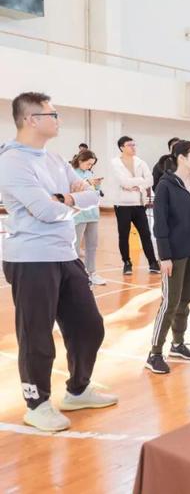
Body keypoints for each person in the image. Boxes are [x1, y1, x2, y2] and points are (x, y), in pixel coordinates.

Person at [0, 92, 117, 432]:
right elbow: (45, 210)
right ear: (31, 119)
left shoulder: (54, 159)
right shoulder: (12, 161)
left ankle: (78, 390)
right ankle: (36, 404)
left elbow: (93, 195)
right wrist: (73, 199)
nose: (58, 119)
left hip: (66, 255)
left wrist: (65, 197)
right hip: (32, 259)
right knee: (36, 335)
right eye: (52, 114)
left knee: (89, 327)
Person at [146, 140, 190, 374]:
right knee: (170, 303)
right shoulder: (165, 186)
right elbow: (160, 223)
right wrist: (164, 256)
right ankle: (155, 353)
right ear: (181, 158)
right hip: (174, 255)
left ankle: (178, 344)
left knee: (185, 300)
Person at [111, 136, 159, 275]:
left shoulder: (140, 162)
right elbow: (123, 182)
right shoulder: (115, 163)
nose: (133, 147)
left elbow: (150, 180)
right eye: (129, 145)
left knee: (145, 234)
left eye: (134, 144)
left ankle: (153, 262)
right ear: (122, 147)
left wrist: (138, 185)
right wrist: (139, 181)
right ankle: (127, 262)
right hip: (122, 204)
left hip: (139, 203)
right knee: (124, 235)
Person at [71, 150, 106, 286]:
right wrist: (87, 182)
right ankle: (75, 275)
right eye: (88, 163)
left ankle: (92, 273)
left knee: (92, 245)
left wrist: (97, 186)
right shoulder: (72, 173)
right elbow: (72, 191)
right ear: (80, 161)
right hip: (79, 215)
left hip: (93, 214)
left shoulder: (90, 173)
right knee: (75, 247)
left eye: (92, 164)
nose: (90, 166)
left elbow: (95, 194)